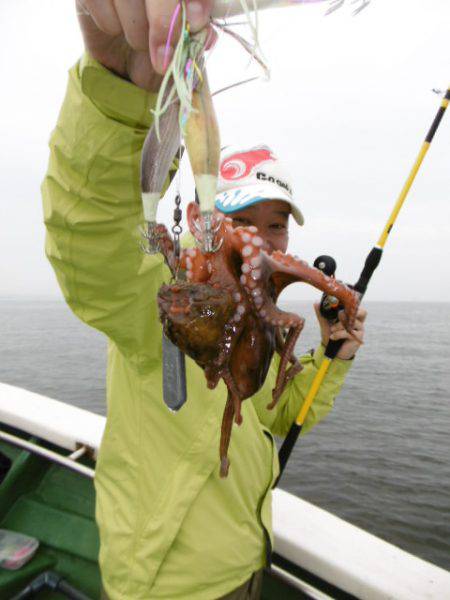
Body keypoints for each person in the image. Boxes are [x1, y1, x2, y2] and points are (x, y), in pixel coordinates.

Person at [42, 2, 367, 598]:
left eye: (276, 226)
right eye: (241, 218)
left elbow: (277, 412)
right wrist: (117, 92)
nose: (261, 240)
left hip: (248, 560)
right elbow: (87, 238)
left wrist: (332, 358)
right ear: (199, 216)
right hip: (167, 584)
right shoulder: (159, 296)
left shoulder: (265, 319)